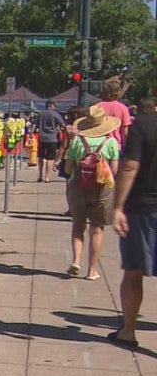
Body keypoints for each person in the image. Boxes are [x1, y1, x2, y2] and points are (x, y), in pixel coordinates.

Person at [110, 92, 157, 348]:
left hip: (143, 208)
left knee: (134, 271)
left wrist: (118, 206)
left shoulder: (144, 125)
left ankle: (128, 330)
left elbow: (129, 167)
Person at [63, 105, 120, 282]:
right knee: (97, 228)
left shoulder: (77, 141)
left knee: (78, 226)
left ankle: (76, 260)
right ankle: (92, 269)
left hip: (78, 187)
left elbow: (68, 167)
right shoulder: (110, 143)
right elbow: (115, 170)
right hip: (102, 189)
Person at [93, 77, 132, 147]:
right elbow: (125, 132)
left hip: (97, 146)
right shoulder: (123, 108)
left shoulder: (97, 107)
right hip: (116, 145)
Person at [35, 100, 65, 183]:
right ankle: (47, 177)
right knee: (50, 158)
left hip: (41, 138)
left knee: (40, 157)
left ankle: (40, 175)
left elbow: (35, 124)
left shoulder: (40, 114)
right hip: (52, 138)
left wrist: (31, 134)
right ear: (52, 106)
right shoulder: (55, 114)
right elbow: (62, 124)